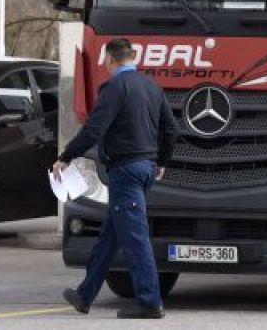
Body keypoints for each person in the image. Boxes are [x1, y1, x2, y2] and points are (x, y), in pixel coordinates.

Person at [52, 37, 178, 320]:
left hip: (126, 171)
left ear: (109, 59)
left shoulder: (114, 87)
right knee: (110, 236)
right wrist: (161, 161)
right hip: (146, 168)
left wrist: (66, 156)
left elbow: (94, 129)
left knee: (135, 238)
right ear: (133, 57)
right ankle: (84, 295)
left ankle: (150, 302)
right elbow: (171, 129)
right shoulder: (152, 86)